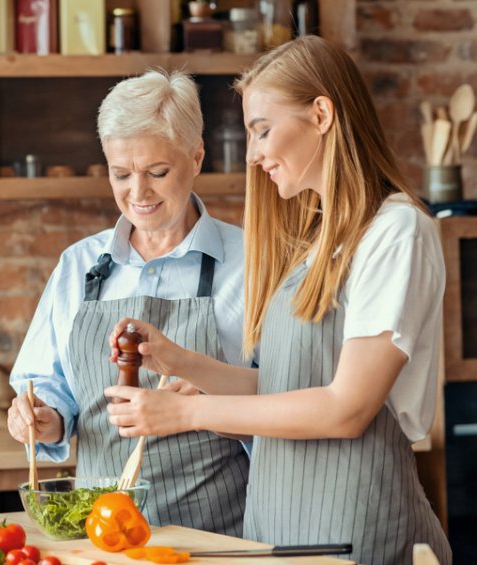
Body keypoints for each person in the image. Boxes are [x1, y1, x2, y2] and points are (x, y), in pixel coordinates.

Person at [104, 36, 452, 565]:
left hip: (355, 528)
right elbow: (291, 387)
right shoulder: (318, 240)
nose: (253, 155)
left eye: (262, 131)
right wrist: (176, 359)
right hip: (277, 528)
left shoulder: (396, 231)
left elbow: (346, 408)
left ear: (321, 114)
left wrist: (188, 411)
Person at [6, 69, 250, 536]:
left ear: (196, 156)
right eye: (121, 174)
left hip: (217, 537)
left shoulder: (250, 264)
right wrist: (42, 419)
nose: (138, 193)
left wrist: (212, 392)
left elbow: (287, 393)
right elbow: (47, 385)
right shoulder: (79, 266)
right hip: (103, 538)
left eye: (158, 172)